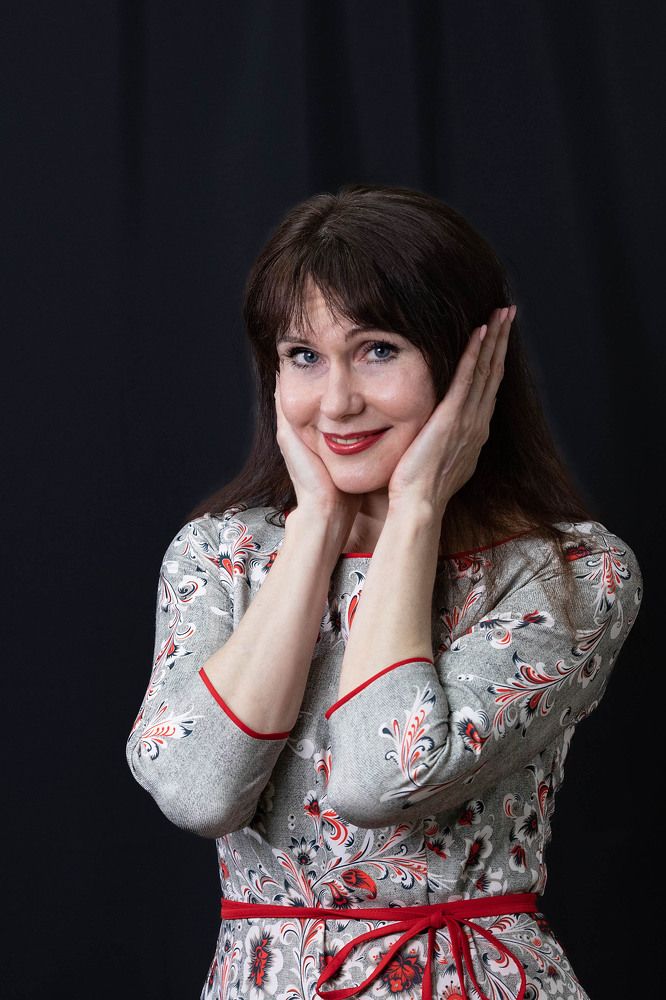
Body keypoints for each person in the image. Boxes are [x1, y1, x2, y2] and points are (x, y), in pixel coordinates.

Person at [126, 183, 643, 1000]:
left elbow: (381, 780)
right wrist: (317, 530)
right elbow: (198, 793)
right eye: (303, 356)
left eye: (377, 350)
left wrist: (416, 510)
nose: (337, 402)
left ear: (471, 359)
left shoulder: (572, 573)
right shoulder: (220, 555)